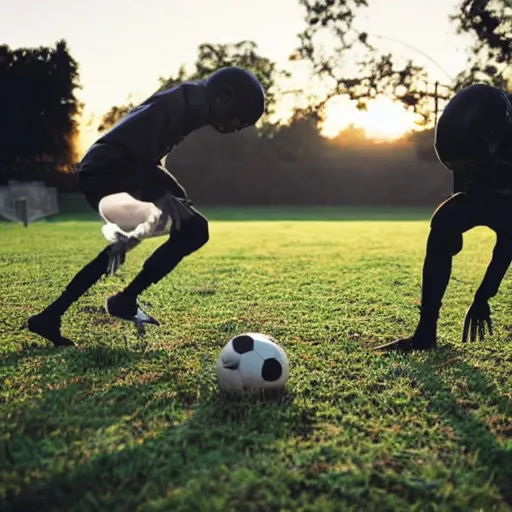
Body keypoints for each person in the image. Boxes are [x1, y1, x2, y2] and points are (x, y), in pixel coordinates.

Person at [28, 66, 266, 347]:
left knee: (143, 238)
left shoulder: (190, 102)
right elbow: (136, 152)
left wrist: (172, 190)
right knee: (193, 229)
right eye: (239, 118)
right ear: (223, 96)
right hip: (111, 171)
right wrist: (163, 194)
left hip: (111, 168)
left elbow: (144, 148)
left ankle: (55, 315)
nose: (237, 126)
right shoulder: (189, 105)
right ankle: (121, 300)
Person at [375, 83, 512, 352]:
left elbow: (508, 241)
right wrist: (450, 233)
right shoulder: (470, 140)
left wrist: (483, 295)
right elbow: (466, 185)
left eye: (467, 166)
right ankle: (425, 334)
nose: (461, 174)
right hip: (492, 192)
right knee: (444, 222)